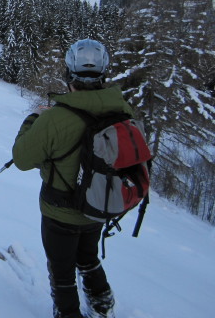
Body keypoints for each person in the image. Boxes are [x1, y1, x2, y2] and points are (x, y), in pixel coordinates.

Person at [12, 39, 133, 318]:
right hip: (98, 207)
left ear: (69, 75)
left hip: (60, 211)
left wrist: (33, 119)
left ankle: (68, 313)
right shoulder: (122, 110)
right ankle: (103, 306)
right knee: (88, 257)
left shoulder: (55, 118)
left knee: (61, 268)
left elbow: (21, 158)